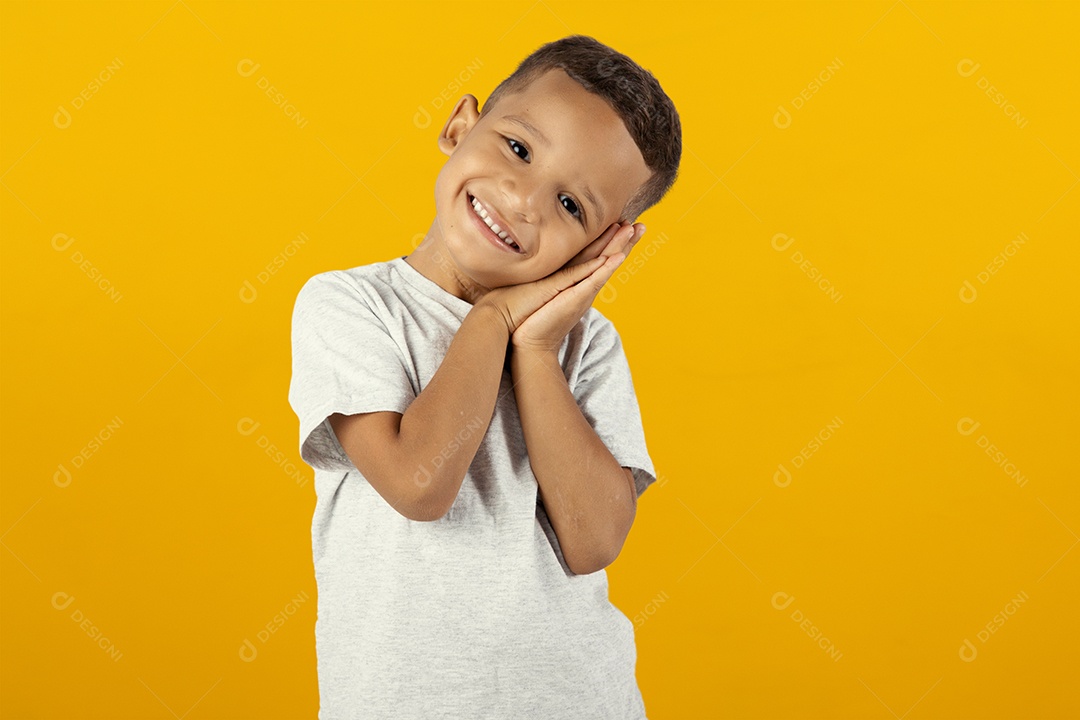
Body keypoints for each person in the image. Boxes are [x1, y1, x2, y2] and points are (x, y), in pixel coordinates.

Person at [288, 34, 681, 719]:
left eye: (571, 207)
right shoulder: (348, 305)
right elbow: (418, 483)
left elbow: (592, 541)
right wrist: (492, 318)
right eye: (519, 149)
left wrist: (535, 350)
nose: (524, 198)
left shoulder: (585, 346)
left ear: (600, 246)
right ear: (460, 126)